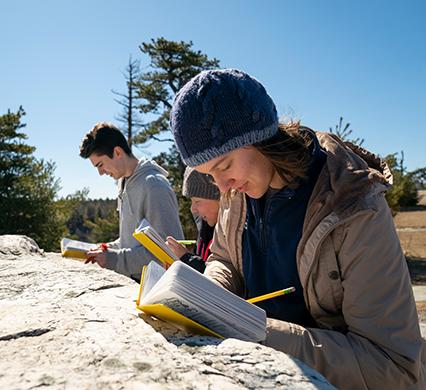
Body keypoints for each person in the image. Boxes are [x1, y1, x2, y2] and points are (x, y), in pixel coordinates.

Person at [169, 68, 425, 389]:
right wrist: (210, 297)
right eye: (209, 175)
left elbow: (394, 367)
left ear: (259, 137)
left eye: (224, 166)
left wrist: (256, 331)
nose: (222, 186)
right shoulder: (239, 194)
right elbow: (225, 258)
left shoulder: (354, 207)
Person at [79, 122, 184, 281]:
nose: (100, 173)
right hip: (137, 283)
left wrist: (114, 259)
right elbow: (132, 242)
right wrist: (106, 249)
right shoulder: (124, 183)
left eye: (100, 165)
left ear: (117, 152)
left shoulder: (154, 185)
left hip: (157, 290)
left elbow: (167, 252)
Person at [166, 167, 220, 273]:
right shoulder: (204, 228)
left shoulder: (232, 235)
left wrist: (186, 258)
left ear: (219, 197)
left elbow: (216, 278)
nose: (193, 209)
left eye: (197, 201)